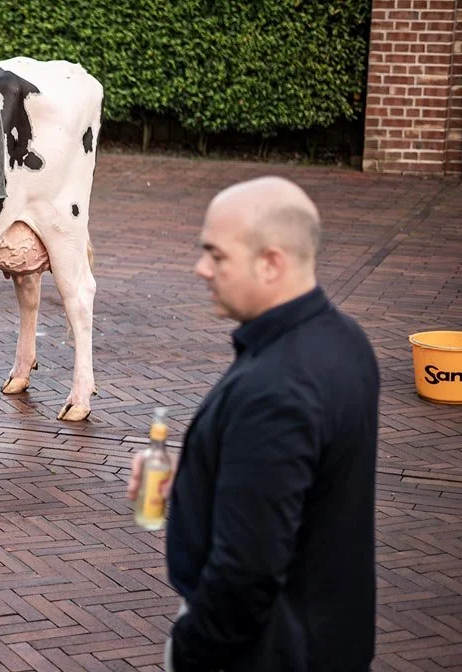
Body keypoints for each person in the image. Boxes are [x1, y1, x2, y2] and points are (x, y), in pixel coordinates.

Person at [128, 176, 379, 671]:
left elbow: (247, 574)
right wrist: (205, 475)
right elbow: (301, 482)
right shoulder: (344, 341)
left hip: (272, 653)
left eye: (217, 256)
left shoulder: (277, 388)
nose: (200, 269)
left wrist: (189, 649)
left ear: (271, 263)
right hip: (332, 636)